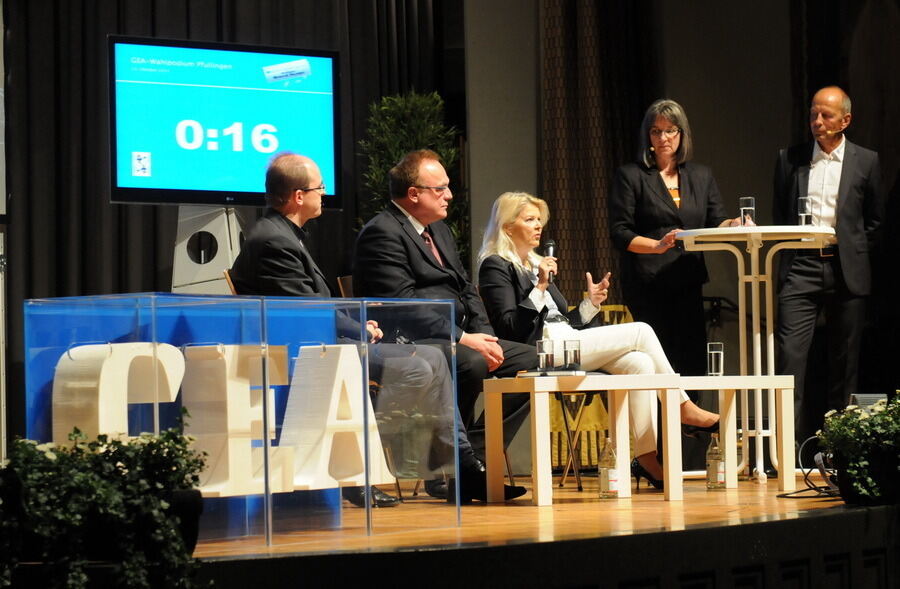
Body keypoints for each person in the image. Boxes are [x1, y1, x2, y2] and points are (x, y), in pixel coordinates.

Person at [231, 152, 463, 506]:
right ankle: (362, 468)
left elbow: (313, 301)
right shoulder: (273, 241)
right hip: (305, 352)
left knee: (433, 355)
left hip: (327, 341)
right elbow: (304, 310)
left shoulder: (286, 234)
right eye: (319, 188)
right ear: (298, 196)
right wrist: (357, 330)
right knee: (416, 366)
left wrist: (356, 323)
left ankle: (457, 465)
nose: (323, 193)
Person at [477, 191, 719, 487]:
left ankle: (645, 458)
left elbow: (564, 322)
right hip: (539, 350)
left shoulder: (534, 263)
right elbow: (511, 327)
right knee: (641, 330)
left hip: (566, 339)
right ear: (507, 226)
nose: (539, 225)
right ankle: (682, 407)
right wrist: (540, 286)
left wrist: (590, 304)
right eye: (530, 220)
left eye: (540, 220)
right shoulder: (496, 265)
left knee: (640, 363)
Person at [353, 149, 534, 502]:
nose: (449, 195)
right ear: (414, 193)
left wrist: (487, 335)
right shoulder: (383, 233)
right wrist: (466, 339)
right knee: (471, 362)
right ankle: (458, 468)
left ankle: (472, 458)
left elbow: (466, 287)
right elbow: (402, 305)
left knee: (531, 362)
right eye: (441, 189)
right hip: (413, 340)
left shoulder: (439, 230)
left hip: (461, 334)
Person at [773, 86, 884, 439]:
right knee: (789, 360)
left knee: (845, 363)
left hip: (845, 268)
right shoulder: (790, 159)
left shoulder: (866, 161)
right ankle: (784, 451)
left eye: (827, 116)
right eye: (813, 114)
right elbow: (780, 215)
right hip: (801, 266)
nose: (817, 122)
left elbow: (876, 222)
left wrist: (853, 250)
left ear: (845, 120)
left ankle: (842, 447)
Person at [608, 99, 743, 377]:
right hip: (648, 282)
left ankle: (691, 418)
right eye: (656, 131)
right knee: (658, 357)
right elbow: (620, 232)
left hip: (687, 278)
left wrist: (736, 223)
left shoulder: (700, 176)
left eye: (670, 131)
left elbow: (717, 221)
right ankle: (658, 419)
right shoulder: (631, 175)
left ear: (682, 134)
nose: (663, 138)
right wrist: (656, 246)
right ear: (648, 136)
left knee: (691, 355)